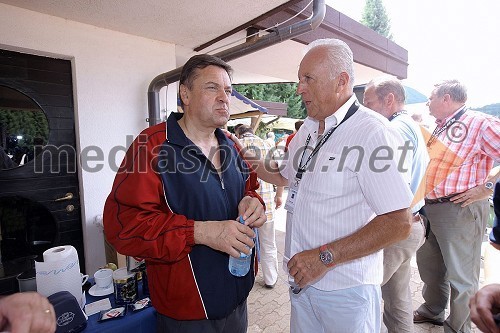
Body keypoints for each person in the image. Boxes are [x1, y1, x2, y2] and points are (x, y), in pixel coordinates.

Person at [232, 38, 413, 332]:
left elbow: (399, 222)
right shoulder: (307, 128)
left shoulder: (371, 133)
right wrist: (240, 151)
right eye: (299, 79)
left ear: (341, 82)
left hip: (345, 293)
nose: (299, 88)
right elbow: (284, 176)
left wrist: (324, 258)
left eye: (308, 79)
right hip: (302, 285)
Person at [103, 54, 266, 333]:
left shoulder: (232, 146)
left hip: (238, 302)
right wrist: (199, 232)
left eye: (228, 90)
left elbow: (250, 187)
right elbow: (125, 228)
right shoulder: (150, 148)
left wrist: (255, 202)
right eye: (212, 88)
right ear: (185, 94)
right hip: (186, 315)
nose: (225, 98)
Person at [414, 80, 500, 333]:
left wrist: (487, 188)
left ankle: (458, 328)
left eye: (431, 98)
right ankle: (433, 311)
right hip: (430, 208)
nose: (427, 103)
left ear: (446, 98)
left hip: (459, 209)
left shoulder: (480, 123)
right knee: (431, 268)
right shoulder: (441, 127)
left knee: (461, 277)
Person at [363, 77, 429, 333]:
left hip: (396, 230)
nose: (366, 109)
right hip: (411, 226)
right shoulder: (409, 126)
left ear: (388, 99)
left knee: (364, 293)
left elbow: (388, 186)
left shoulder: (392, 131)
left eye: (369, 103)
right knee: (398, 300)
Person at [236, 125, 280, 289]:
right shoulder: (267, 144)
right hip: (266, 202)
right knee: (269, 243)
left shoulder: (236, 144)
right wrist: (279, 195)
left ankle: (244, 279)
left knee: (243, 245)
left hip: (244, 206)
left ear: (238, 133)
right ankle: (271, 278)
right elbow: (280, 171)